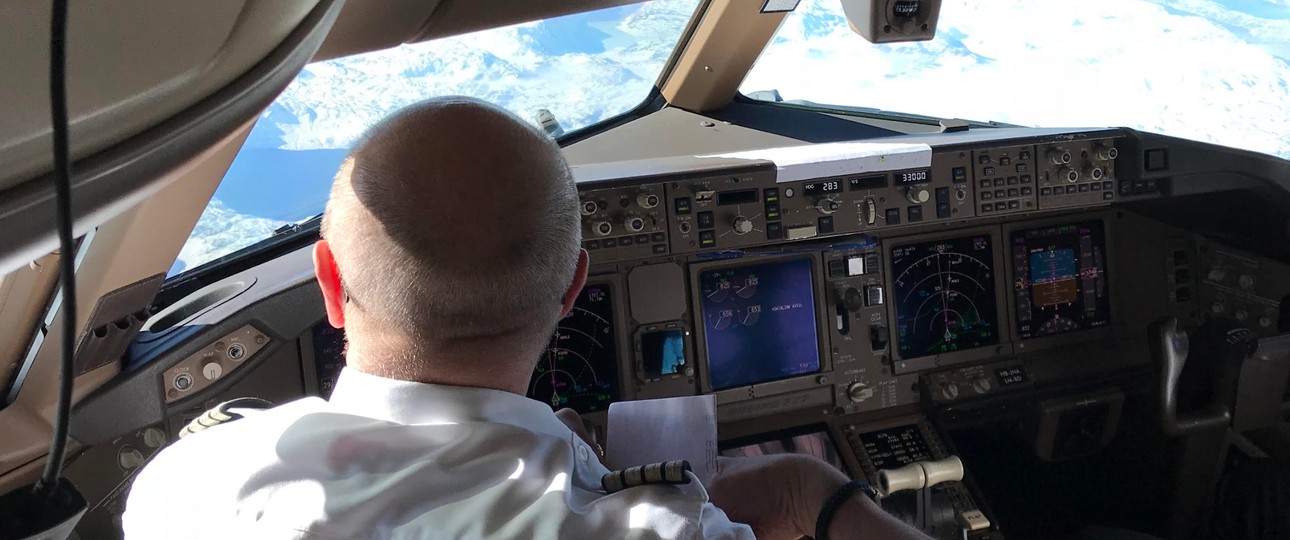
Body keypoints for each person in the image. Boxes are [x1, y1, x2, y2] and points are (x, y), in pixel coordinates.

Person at [123, 97, 928, 540]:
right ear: (573, 288)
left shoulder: (186, 489)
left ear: (330, 284)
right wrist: (815, 496)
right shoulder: (659, 532)